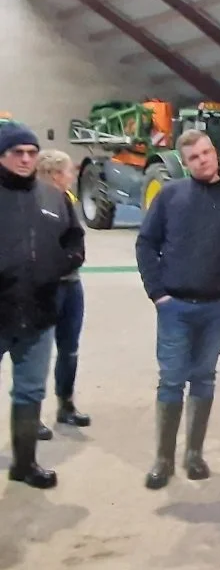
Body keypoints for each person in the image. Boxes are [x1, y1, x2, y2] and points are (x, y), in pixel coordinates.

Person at [135, 129, 220, 490]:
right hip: (174, 307)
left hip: (215, 310)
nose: (203, 160)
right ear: (185, 163)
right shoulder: (170, 197)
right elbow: (146, 243)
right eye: (194, 157)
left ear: (215, 153)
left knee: (204, 378)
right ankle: (163, 458)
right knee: (172, 380)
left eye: (206, 152)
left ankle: (193, 454)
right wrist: (157, 292)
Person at [0, 123, 85, 489]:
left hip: (39, 312)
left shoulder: (54, 198)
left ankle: (24, 463)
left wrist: (57, 266)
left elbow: (75, 241)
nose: (25, 159)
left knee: (31, 390)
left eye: (31, 152)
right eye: (16, 152)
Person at [35, 149, 92, 439]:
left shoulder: (67, 201)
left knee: (69, 348)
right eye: (69, 171)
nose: (72, 176)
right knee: (39, 352)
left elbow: (76, 241)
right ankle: (31, 416)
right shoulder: (31, 204)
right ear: (55, 174)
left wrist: (72, 259)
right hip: (46, 287)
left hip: (71, 285)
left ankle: (65, 405)